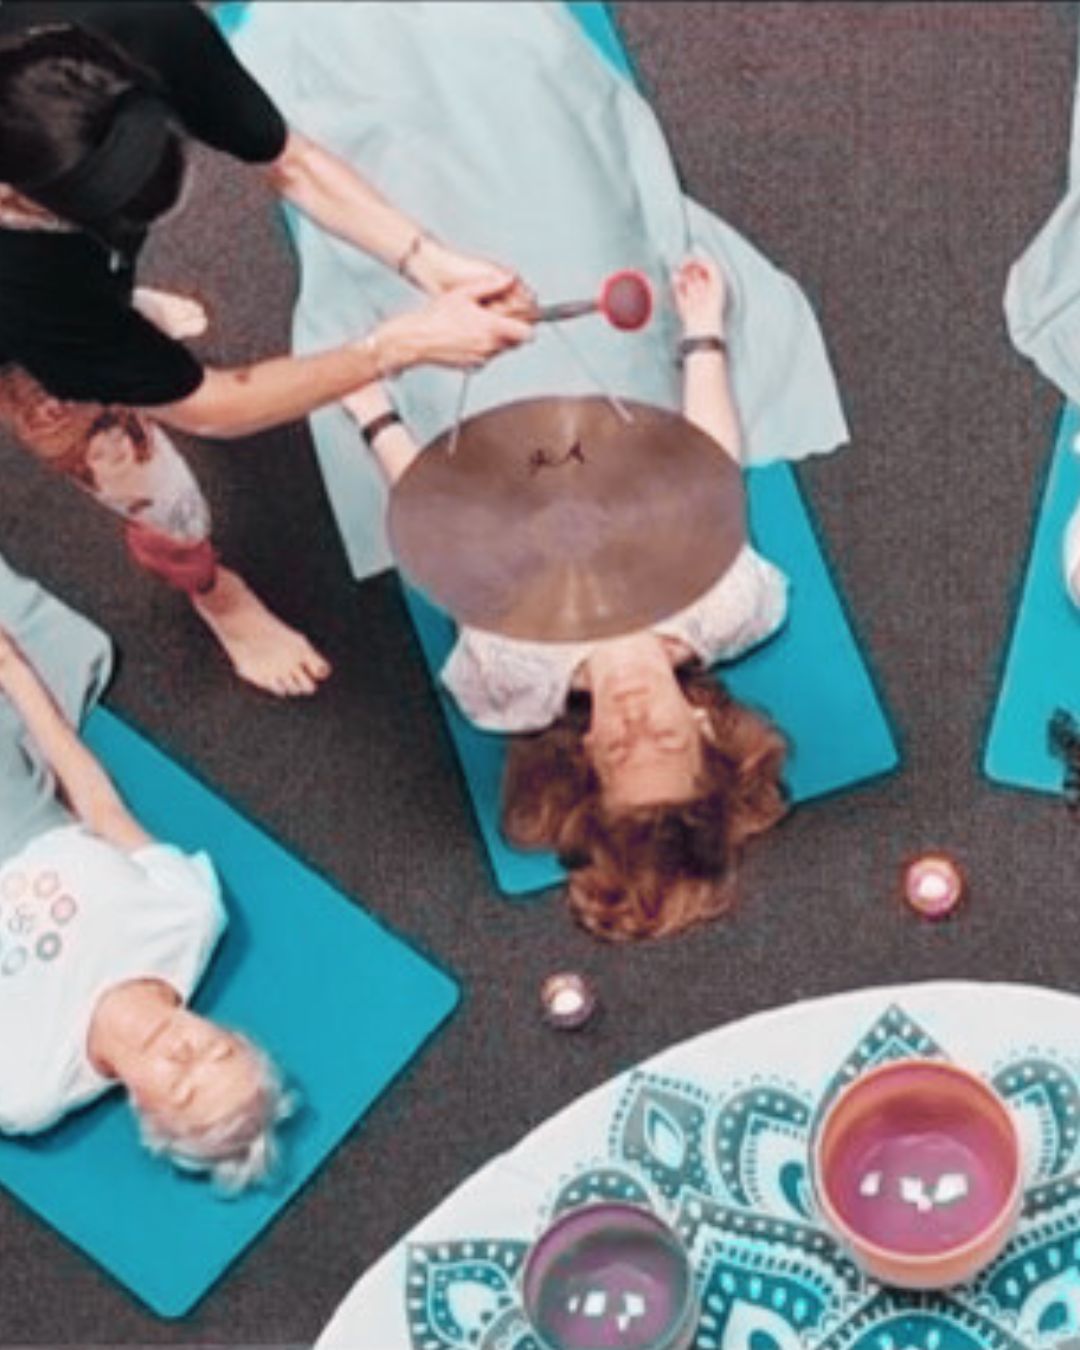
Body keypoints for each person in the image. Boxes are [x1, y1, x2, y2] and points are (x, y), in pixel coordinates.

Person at [0, 1, 534, 695]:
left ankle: (115, 314)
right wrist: (394, 347)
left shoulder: (142, 23)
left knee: (99, 303)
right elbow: (208, 409)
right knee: (119, 461)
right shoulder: (19, 280)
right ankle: (212, 590)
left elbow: (292, 162)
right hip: (26, 319)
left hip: (60, 274)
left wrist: (430, 261)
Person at [345, 254, 789, 942]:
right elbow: (708, 466)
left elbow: (444, 524)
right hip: (611, 399)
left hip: (482, 423)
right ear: (702, 726)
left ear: (588, 753)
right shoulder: (731, 610)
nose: (637, 722)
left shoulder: (514, 672)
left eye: (620, 752)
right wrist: (704, 333)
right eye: (663, 739)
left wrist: (371, 408)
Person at [0, 577, 294, 1193]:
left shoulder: (29, 1089)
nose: (186, 1053)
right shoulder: (189, 919)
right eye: (216, 1053)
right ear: (227, 1033)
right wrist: (15, 673)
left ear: (148, 1115)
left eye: (184, 1089)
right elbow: (100, 809)